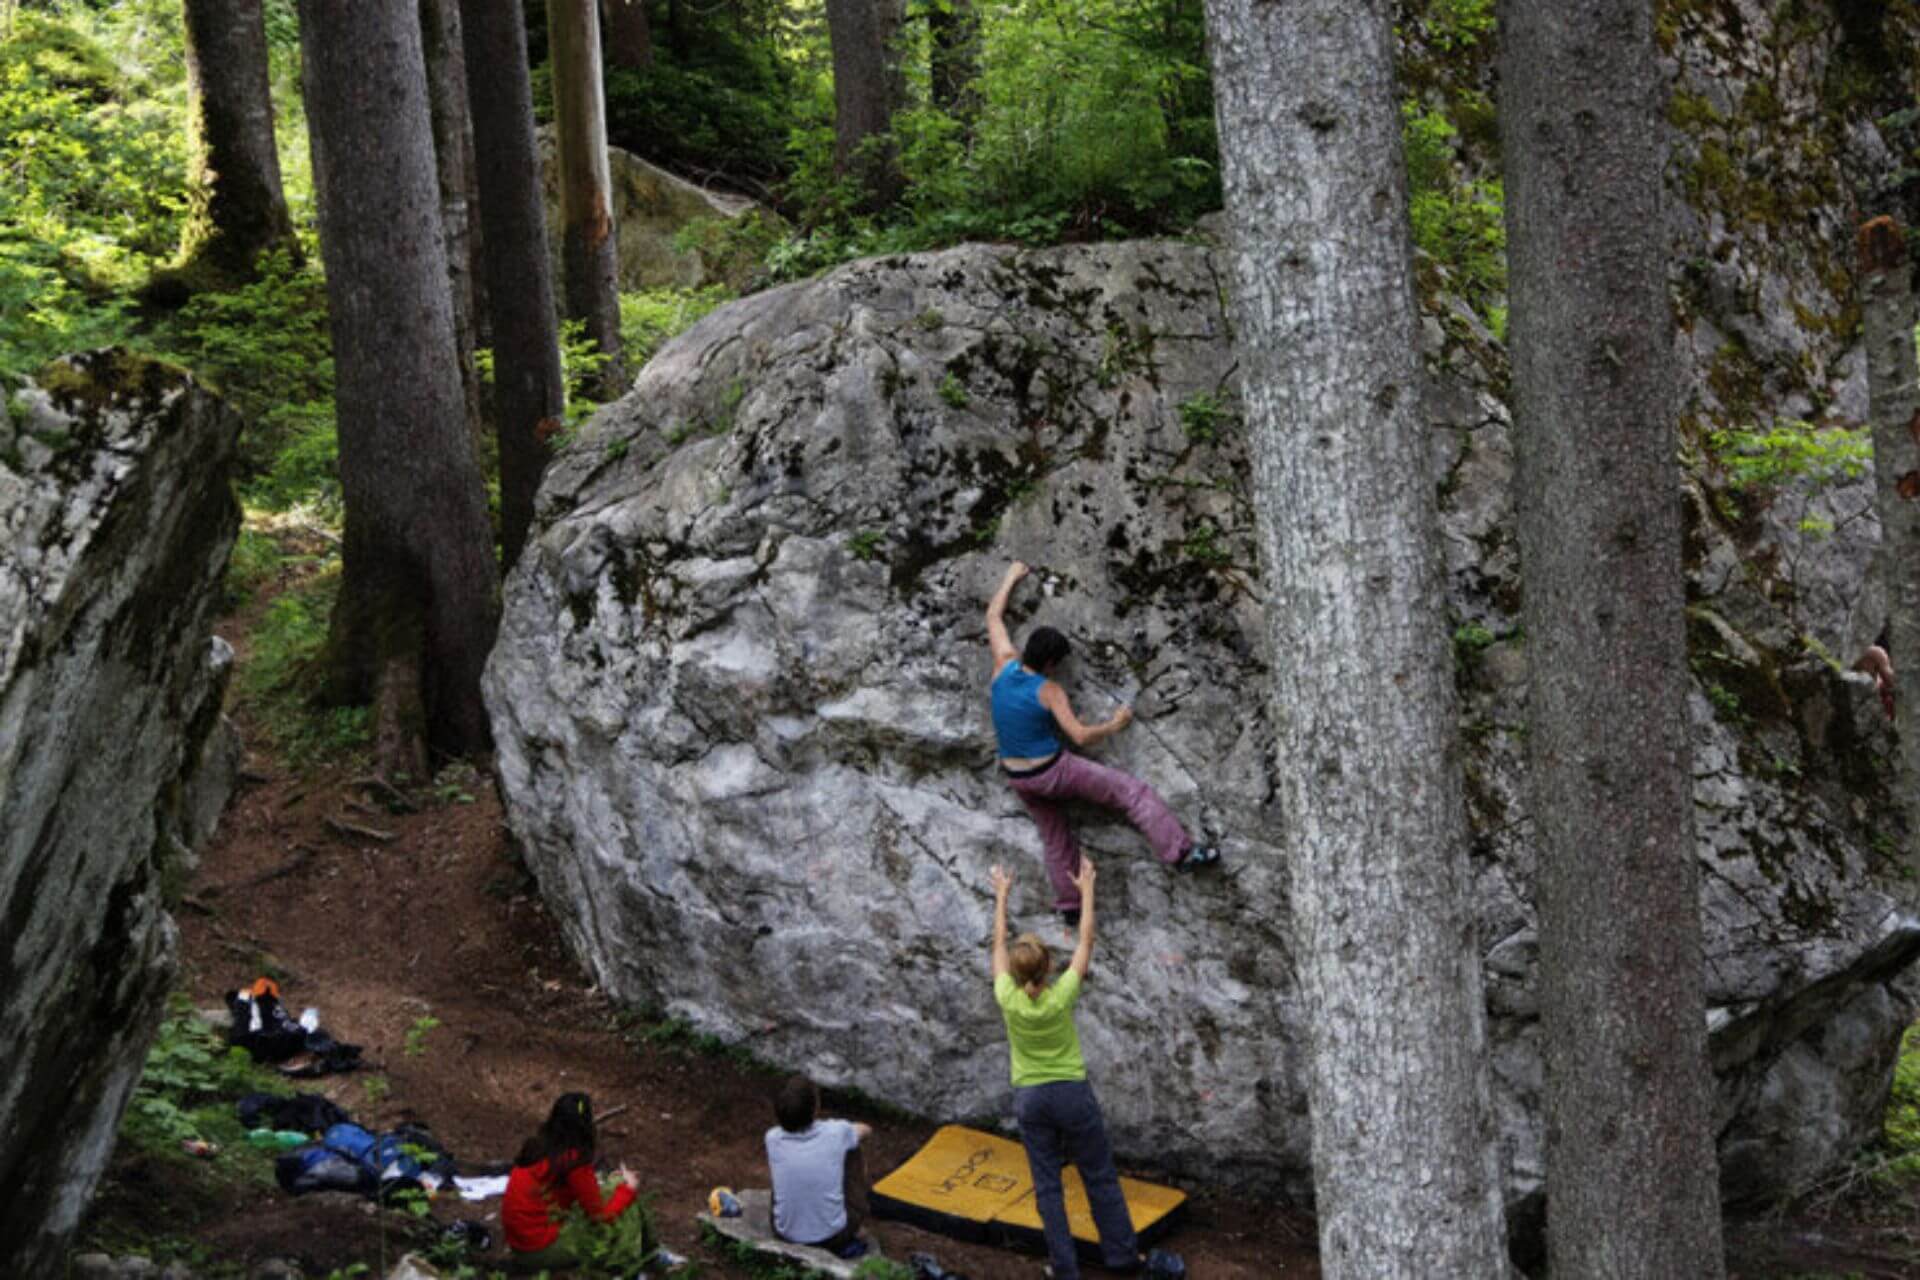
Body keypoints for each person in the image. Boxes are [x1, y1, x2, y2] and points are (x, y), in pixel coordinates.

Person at [986, 559, 1218, 926]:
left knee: (1055, 836)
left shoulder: (1003, 666)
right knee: (1131, 792)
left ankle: (1070, 906)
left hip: (1018, 778)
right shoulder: (1047, 690)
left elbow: (994, 617)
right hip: (1053, 772)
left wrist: (1010, 576)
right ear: (1050, 662)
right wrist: (1114, 724)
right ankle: (1179, 852)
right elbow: (1079, 735)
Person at [990, 860, 1180, 1280]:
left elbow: (998, 946)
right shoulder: (1060, 998)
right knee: (1098, 1175)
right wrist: (1087, 888)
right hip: (1072, 1093)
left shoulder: (1007, 996)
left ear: (1018, 974)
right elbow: (1086, 941)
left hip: (1031, 1097)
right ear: (1047, 969)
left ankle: (1065, 1269)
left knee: (1047, 1185)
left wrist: (1002, 895)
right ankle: (1122, 1257)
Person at [501, 1092, 642, 1272]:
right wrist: (629, 1189)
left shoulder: (537, 1147)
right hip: (540, 1251)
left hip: (520, 1245)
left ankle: (649, 1254)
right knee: (626, 1203)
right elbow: (600, 1217)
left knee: (614, 1188)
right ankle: (632, 1263)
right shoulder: (574, 1161)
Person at [765, 1074, 873, 1258]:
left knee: (788, 1164)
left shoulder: (772, 1138)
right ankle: (857, 1210)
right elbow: (866, 1129)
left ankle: (798, 1211)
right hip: (833, 1236)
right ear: (816, 1109)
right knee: (853, 1148)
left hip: (784, 1232)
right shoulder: (836, 1132)